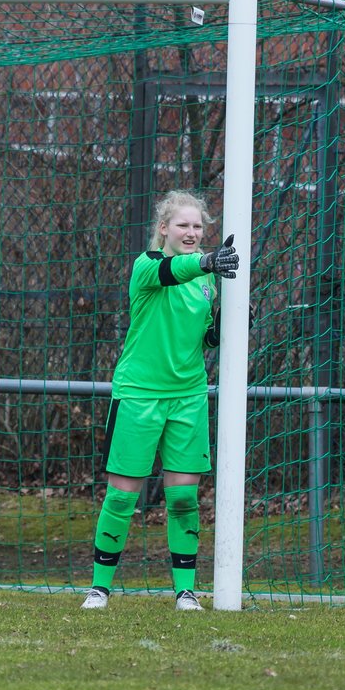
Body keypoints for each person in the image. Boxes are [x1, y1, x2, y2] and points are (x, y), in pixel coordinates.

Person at [81, 190, 239, 611]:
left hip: (188, 396)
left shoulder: (208, 279)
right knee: (121, 496)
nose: (191, 232)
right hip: (138, 395)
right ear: (164, 228)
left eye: (198, 227)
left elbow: (206, 339)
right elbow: (174, 271)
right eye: (183, 225)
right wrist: (206, 261)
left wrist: (229, 324)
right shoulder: (148, 266)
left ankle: (185, 592)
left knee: (184, 498)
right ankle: (99, 589)